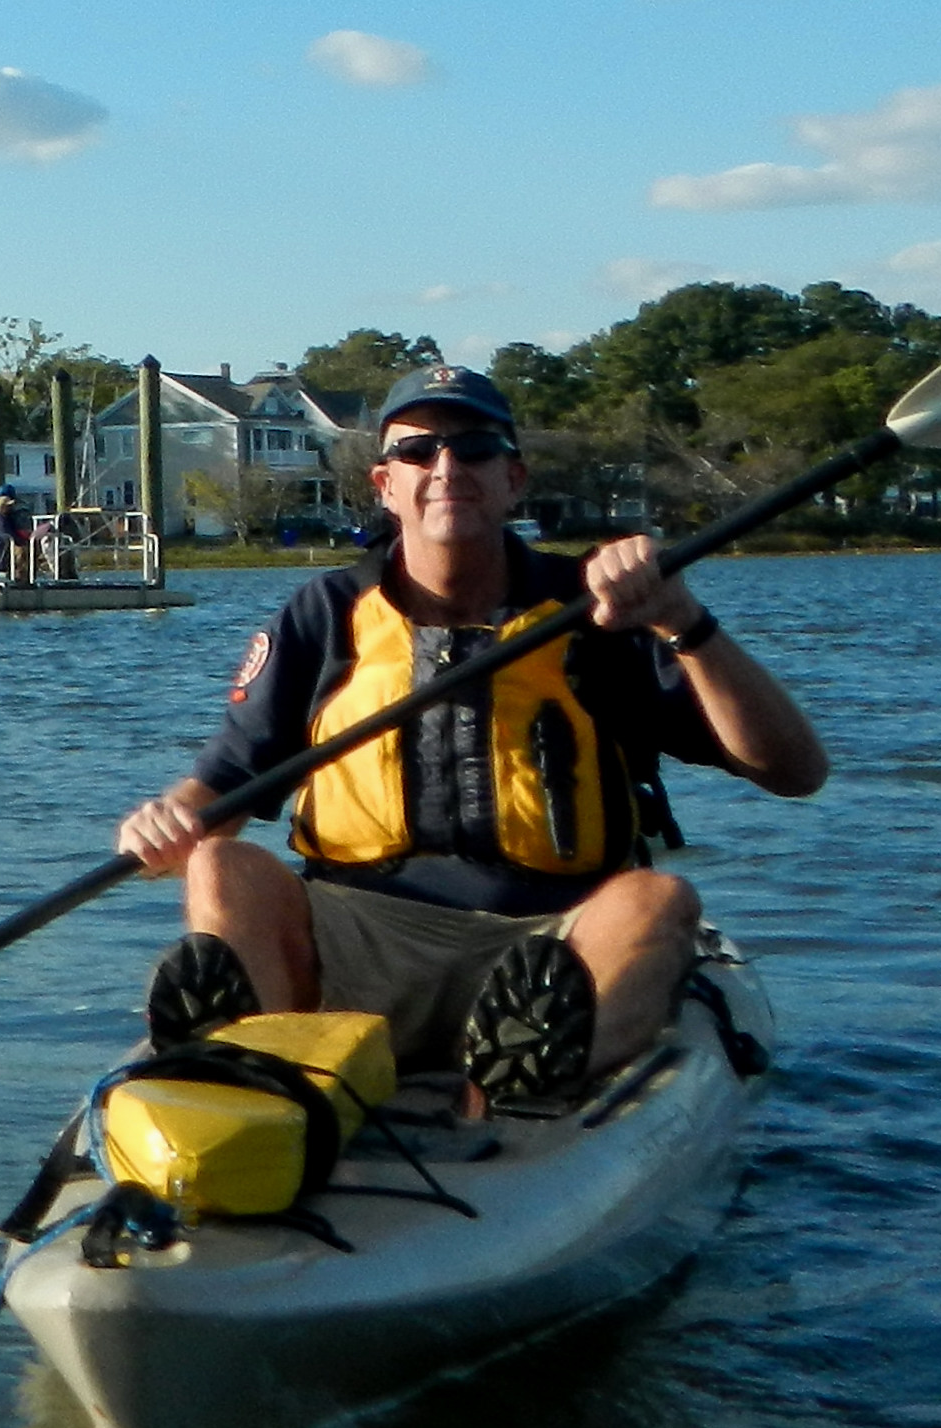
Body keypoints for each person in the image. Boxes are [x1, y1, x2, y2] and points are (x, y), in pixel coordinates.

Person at [109, 363, 827, 1105]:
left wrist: (684, 621)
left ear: (512, 478)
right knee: (221, 866)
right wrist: (165, 821)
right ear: (385, 484)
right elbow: (226, 784)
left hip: (552, 940)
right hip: (360, 937)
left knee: (656, 898)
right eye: (418, 451)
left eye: (474, 448)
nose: (446, 467)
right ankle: (258, 1074)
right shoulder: (324, 614)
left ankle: (535, 1066)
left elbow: (794, 770)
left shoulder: (602, 609)